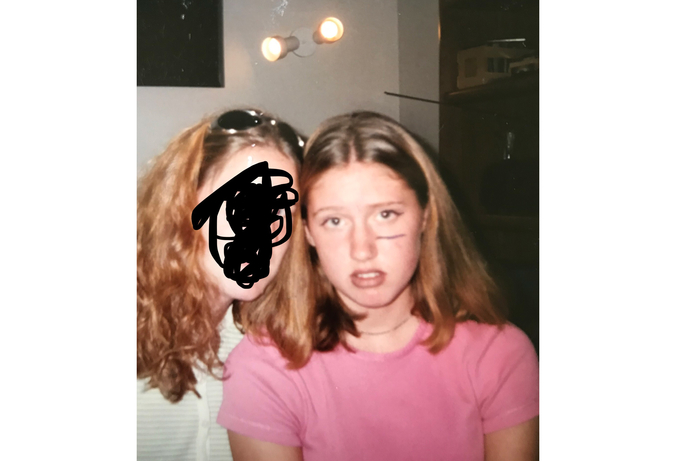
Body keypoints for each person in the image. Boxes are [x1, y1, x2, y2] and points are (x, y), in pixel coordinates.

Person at [217, 111, 539, 461]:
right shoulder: (263, 368)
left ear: (425, 215)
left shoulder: (499, 355)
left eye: (385, 214)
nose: (362, 249)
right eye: (334, 220)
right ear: (308, 231)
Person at [137, 108, 304, 461]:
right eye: (243, 210)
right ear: (181, 206)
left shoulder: (268, 346)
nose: (261, 236)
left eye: (277, 215)